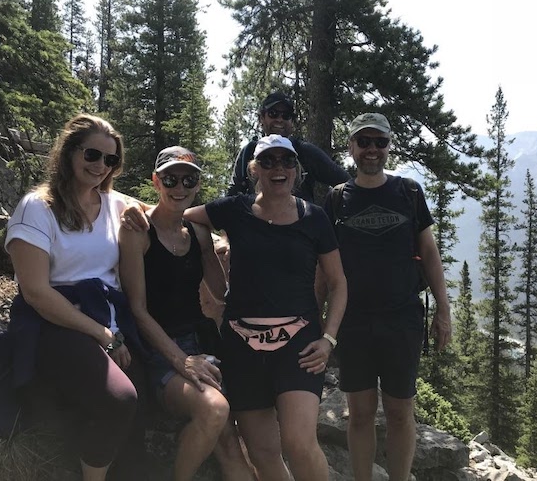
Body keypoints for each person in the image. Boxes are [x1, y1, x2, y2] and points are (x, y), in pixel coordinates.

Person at [183, 134, 347, 481]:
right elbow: (183, 215)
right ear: (254, 169)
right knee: (262, 452)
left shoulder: (314, 218)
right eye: (269, 162)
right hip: (242, 346)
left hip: (299, 346)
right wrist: (210, 256)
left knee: (299, 443)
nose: (278, 168)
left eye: (286, 162)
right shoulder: (234, 210)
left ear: (296, 170)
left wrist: (329, 339)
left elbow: (338, 283)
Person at [2, 114, 148, 481]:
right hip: (54, 321)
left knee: (142, 400)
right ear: (69, 152)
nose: (101, 166)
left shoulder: (113, 204)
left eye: (111, 160)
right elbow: (35, 292)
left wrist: (216, 241)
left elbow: (164, 212)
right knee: (120, 399)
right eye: (92, 155)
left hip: (108, 316)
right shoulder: (37, 208)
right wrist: (102, 335)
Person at [317, 113, 452, 481]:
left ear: (389, 146)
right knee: (359, 414)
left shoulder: (408, 192)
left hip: (402, 319)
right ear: (352, 148)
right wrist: (315, 317)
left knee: (399, 412)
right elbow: (323, 268)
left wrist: (443, 308)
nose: (372, 149)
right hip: (354, 322)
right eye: (364, 142)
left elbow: (429, 250)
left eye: (379, 142)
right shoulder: (337, 199)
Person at [118, 146, 255, 481]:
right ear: (156, 181)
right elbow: (137, 309)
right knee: (215, 409)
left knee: (233, 442)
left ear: (197, 184)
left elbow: (223, 295)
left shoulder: (197, 232)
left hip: (202, 341)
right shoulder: (137, 230)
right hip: (159, 352)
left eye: (188, 179)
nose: (179, 187)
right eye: (170, 178)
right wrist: (181, 360)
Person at [227, 91, 350, 203]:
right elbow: (231, 198)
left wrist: (331, 217)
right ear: (261, 118)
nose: (279, 119)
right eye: (273, 114)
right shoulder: (248, 153)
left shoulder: (305, 152)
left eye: (286, 115)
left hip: (301, 226)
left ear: (292, 122)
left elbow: (346, 183)